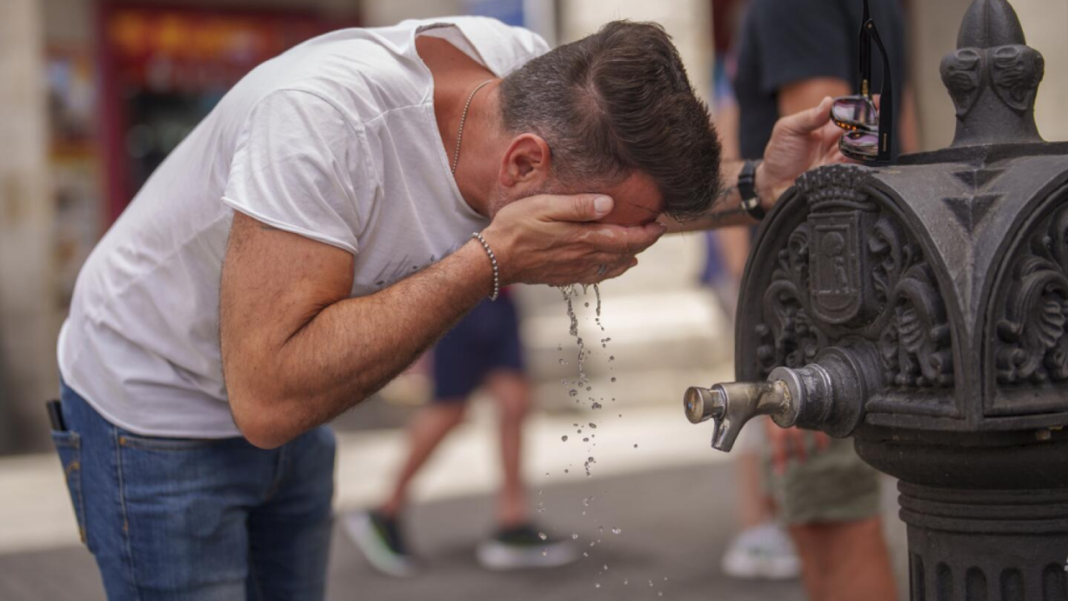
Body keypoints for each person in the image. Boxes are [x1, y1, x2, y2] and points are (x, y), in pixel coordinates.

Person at [52, 15, 847, 599]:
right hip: (150, 403)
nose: (613, 246)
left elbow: (629, 197)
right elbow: (266, 395)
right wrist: (490, 263)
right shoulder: (322, 127)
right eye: (593, 222)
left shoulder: (525, 84)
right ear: (524, 162)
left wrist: (755, 188)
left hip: (292, 398)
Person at [731, 0, 919, 598]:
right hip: (867, 294)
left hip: (826, 314)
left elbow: (827, 169)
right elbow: (896, 150)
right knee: (834, 521)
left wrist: (804, 345)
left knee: (833, 526)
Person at [349, 290, 576, 575]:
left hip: (500, 294)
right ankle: (385, 511)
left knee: (514, 402)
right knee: (450, 409)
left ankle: (512, 522)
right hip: (457, 297)